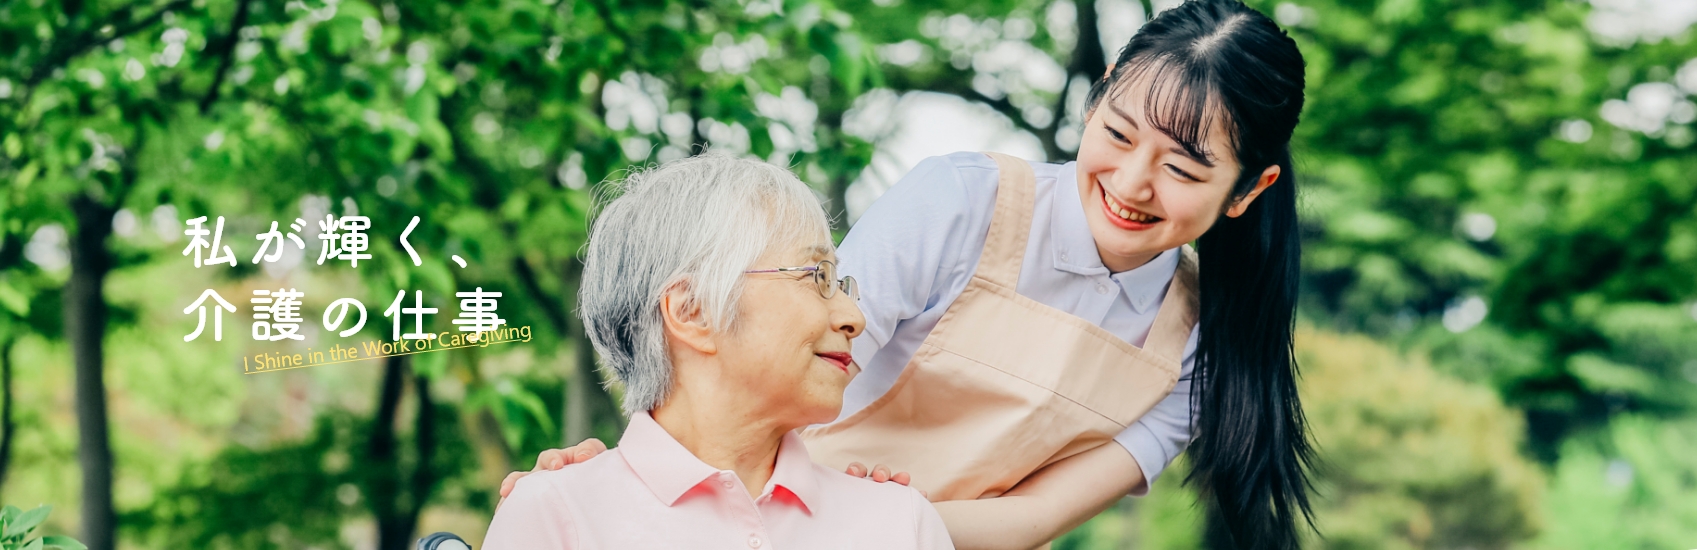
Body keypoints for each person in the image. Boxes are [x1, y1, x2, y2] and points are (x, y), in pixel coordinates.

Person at [507, 1, 1313, 547]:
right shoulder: (966, 201)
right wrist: (626, 492)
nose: (1133, 182)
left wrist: (884, 527)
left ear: (1248, 189)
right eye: (1121, 131)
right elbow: (772, 365)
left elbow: (1032, 517)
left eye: (1182, 166)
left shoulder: (1210, 338)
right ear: (1097, 98)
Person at [481, 152, 953, 549]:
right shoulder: (555, 518)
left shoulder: (900, 523)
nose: (855, 317)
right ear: (692, 310)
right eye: (818, 277)